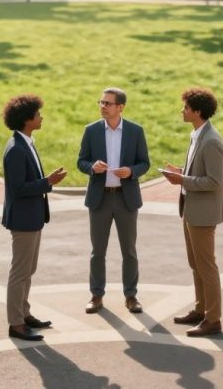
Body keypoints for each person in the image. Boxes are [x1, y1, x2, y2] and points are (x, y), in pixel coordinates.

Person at [161, 87, 223, 337]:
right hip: (191, 209)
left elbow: (214, 181)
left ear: (197, 111)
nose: (182, 110)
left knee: (206, 265)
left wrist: (182, 180)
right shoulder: (197, 134)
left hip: (203, 213)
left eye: (186, 108)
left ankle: (213, 319)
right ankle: (201, 310)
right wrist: (181, 171)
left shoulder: (211, 141)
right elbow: (198, 172)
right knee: (195, 264)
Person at [77, 87, 150, 315]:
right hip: (100, 199)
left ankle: (131, 296)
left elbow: (144, 163)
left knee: (129, 250)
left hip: (125, 199)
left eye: (108, 103)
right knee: (97, 251)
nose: (103, 106)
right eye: (101, 102)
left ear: (120, 107)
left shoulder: (135, 131)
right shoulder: (91, 131)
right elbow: (81, 161)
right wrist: (92, 167)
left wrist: (131, 171)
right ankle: (96, 296)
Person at [1, 94, 67, 342]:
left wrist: (45, 182)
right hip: (23, 219)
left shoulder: (26, 142)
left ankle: (24, 313)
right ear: (27, 119)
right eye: (38, 114)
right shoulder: (17, 149)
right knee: (20, 272)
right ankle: (15, 324)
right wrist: (47, 182)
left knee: (29, 269)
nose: (41, 117)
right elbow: (18, 189)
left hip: (32, 217)